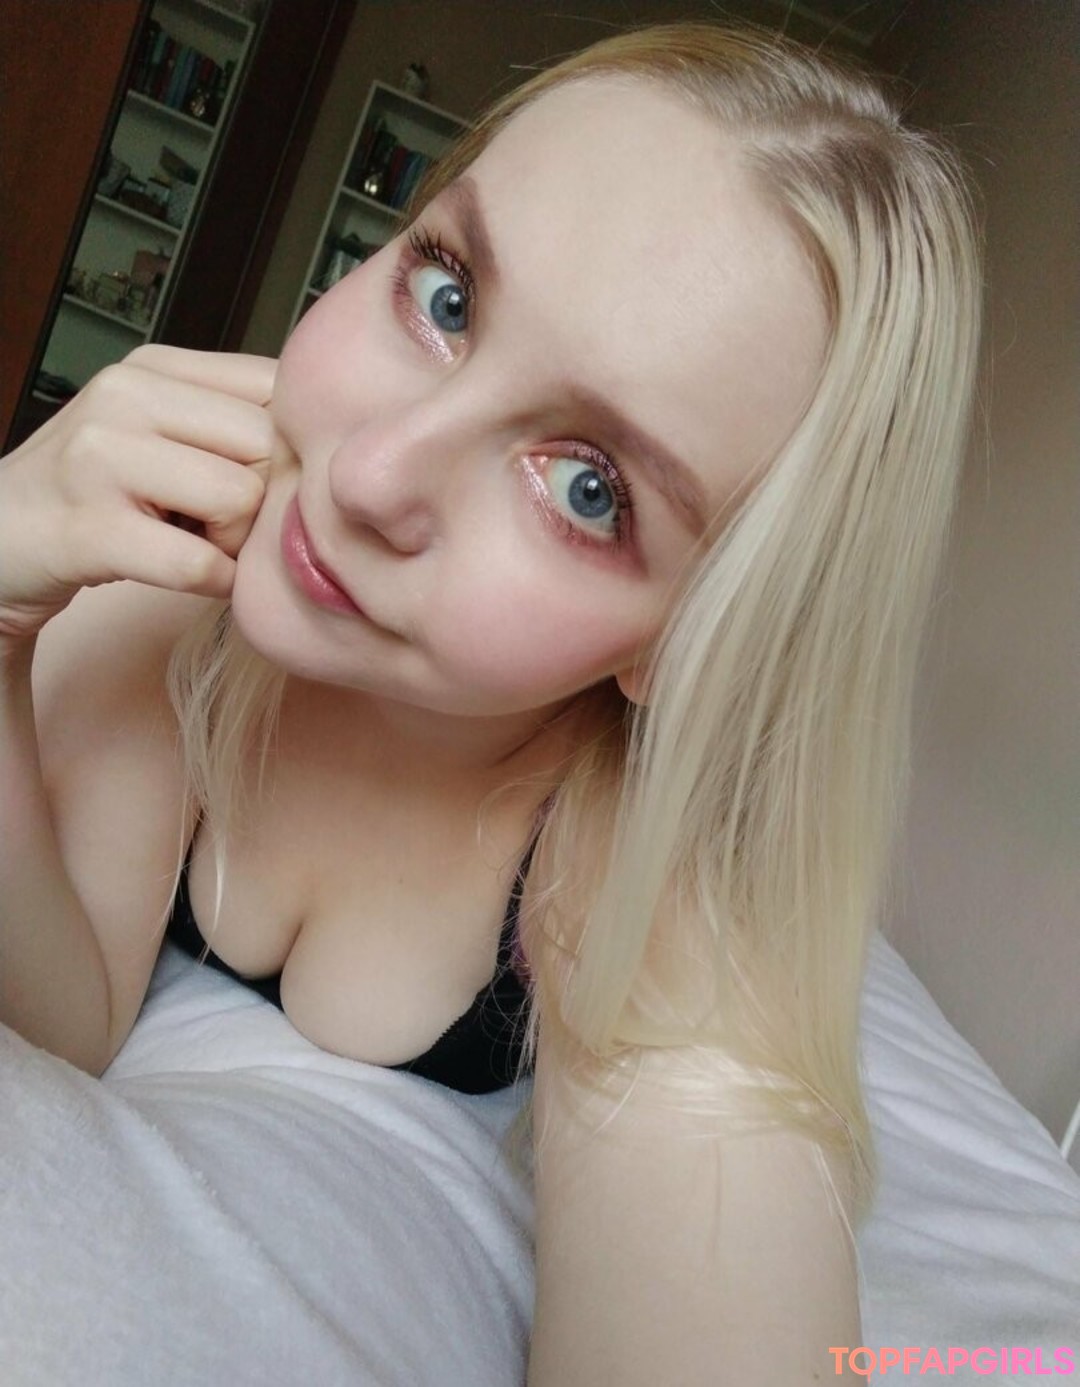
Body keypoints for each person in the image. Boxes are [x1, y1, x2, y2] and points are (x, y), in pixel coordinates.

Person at [0, 21, 980, 1384]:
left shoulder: (633, 881)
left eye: (589, 489)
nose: (370, 477)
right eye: (448, 296)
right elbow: (60, 1019)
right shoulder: (181, 567)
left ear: (690, 641)